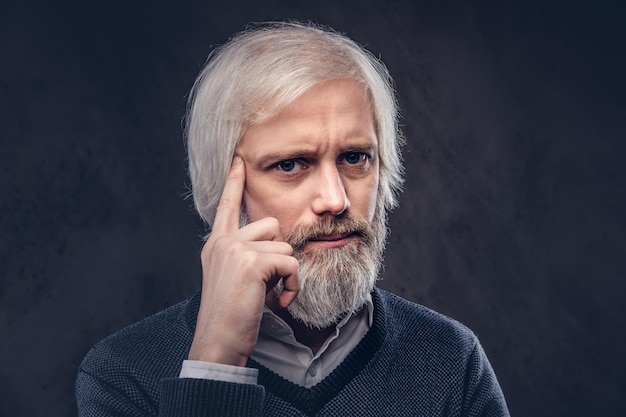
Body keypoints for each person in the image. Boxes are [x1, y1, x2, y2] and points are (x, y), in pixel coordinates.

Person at [76, 21, 510, 416]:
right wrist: (215, 366)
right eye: (290, 165)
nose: (335, 200)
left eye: (355, 158)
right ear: (222, 187)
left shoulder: (450, 361)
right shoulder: (122, 375)